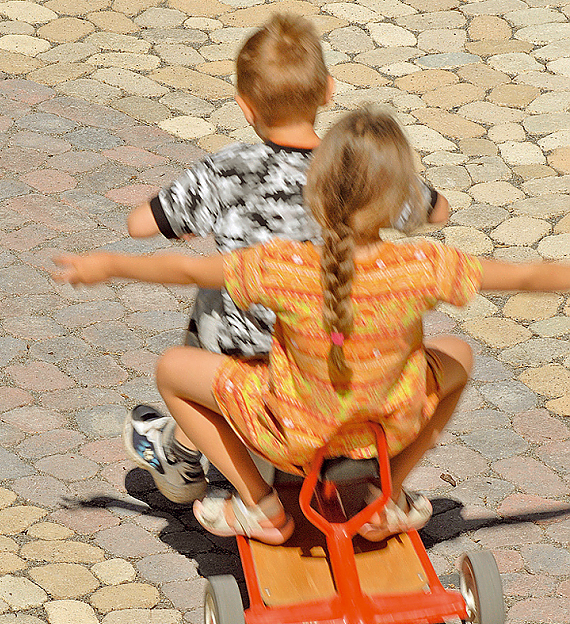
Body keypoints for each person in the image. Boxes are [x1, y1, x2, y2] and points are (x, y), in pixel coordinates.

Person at [54, 105, 570, 544]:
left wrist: (110, 265)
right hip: (387, 434)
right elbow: (525, 274)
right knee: (461, 354)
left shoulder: (285, 266)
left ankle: (259, 505)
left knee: (172, 368)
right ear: (398, 202)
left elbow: (189, 269)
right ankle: (387, 497)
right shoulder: (424, 266)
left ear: (316, 192)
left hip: (295, 436)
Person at [121, 13, 450, 505]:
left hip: (257, 361)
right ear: (328, 92)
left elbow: (139, 225)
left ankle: (186, 454)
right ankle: (385, 484)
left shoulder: (229, 169)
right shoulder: (358, 168)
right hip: (339, 349)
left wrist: (199, 214)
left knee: (219, 291)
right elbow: (438, 212)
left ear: (244, 104)